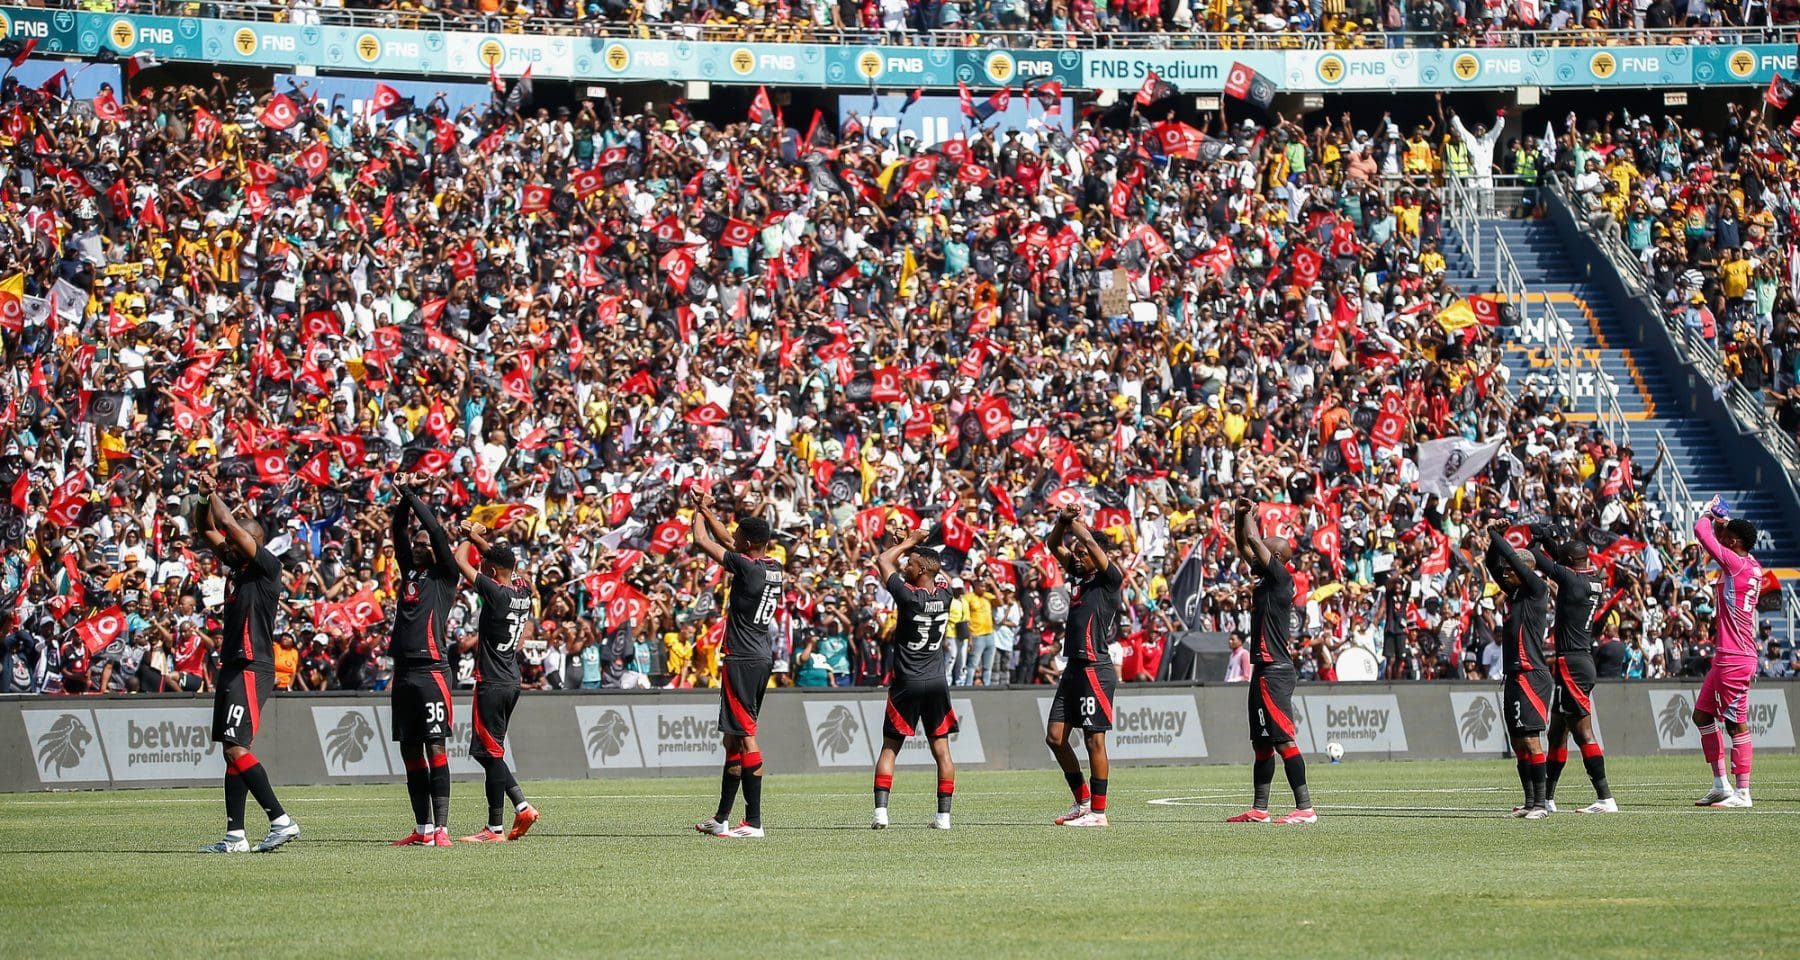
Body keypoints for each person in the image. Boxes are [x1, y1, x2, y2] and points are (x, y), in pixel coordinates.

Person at [196, 476, 299, 854]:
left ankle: (281, 820)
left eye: (238, 542)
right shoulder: (237, 570)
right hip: (234, 665)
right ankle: (235, 836)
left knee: (237, 747)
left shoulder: (266, 568)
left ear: (252, 543)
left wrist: (216, 494)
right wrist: (204, 496)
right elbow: (206, 527)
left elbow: (228, 527)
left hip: (253, 665)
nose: (227, 549)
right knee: (230, 747)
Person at [689, 490, 783, 839]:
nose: (733, 537)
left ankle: (754, 822)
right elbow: (729, 538)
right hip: (760, 655)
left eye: (738, 535)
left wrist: (699, 511)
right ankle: (721, 818)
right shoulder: (773, 566)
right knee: (732, 741)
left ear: (747, 542)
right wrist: (708, 508)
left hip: (742, 658)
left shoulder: (745, 565)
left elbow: (703, 540)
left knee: (745, 738)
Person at [447, 518, 540, 842]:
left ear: (491, 569)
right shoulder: (523, 589)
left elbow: (460, 561)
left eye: (485, 564)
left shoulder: (495, 591)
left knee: (490, 752)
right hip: (511, 679)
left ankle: (520, 807)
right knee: (488, 752)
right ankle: (497, 825)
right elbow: (502, 560)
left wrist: (465, 537)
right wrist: (477, 537)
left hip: (491, 680)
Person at [1225, 499, 1316, 826]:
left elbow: (1251, 541)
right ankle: (1260, 809)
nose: (1255, 554)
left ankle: (1305, 808)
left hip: (1274, 671)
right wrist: (1240, 518)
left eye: (1263, 550)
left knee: (1282, 740)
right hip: (1262, 670)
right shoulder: (1266, 579)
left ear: (1275, 558)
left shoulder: (1281, 578)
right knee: (1262, 743)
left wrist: (1247, 514)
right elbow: (1243, 543)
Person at [387, 474, 462, 848]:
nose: (417, 546)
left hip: (433, 670)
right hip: (403, 672)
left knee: (436, 747)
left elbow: (433, 528)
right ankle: (422, 829)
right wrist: (402, 497)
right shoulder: (410, 570)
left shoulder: (445, 575)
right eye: (414, 545)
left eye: (423, 544)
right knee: (409, 751)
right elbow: (398, 528)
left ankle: (443, 828)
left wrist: (414, 494)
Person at [869, 527, 957, 831]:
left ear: (919, 571)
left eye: (911, 563)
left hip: (907, 681)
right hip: (936, 681)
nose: (906, 565)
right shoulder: (947, 593)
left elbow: (882, 560)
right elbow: (933, 567)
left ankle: (881, 813)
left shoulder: (907, 595)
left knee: (890, 747)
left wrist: (908, 543)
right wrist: (915, 548)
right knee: (942, 751)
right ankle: (943, 817)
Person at [1043, 506, 1122, 828]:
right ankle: (1082, 801)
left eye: (1082, 554)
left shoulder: (1109, 579)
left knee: (1094, 740)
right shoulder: (1080, 576)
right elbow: (1053, 546)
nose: (1075, 558)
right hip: (1073, 668)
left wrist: (1074, 520)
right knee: (1055, 738)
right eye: (1074, 554)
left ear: (1098, 555)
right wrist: (1062, 523)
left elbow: (1088, 541)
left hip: (1095, 667)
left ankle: (1099, 814)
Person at [1528, 529, 1617, 814]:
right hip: (1580, 661)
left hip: (1571, 665)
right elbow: (1562, 560)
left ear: (1569, 562)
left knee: (1583, 733)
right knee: (1557, 733)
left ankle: (1605, 798)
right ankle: (1548, 798)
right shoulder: (1592, 581)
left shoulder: (1570, 579)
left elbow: (1538, 560)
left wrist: (1539, 538)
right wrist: (1553, 541)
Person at [1690, 498, 1764, 809]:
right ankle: (1721, 784)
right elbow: (1728, 536)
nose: (1720, 540)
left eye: (1726, 538)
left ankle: (1743, 792)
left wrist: (1708, 512)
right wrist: (1726, 522)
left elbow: (1700, 530)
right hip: (1728, 656)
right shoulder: (1753, 566)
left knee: (1735, 722)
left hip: (1736, 656)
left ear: (1733, 543)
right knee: (1702, 715)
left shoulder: (1734, 563)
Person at [1484, 526, 1553, 820]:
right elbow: (1492, 564)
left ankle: (1541, 805)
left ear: (1524, 570)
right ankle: (1528, 802)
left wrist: (1496, 534)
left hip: (1531, 674)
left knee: (1531, 740)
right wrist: (1492, 543)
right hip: (1513, 675)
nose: (1504, 575)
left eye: (1510, 571)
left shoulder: (1537, 590)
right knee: (1517, 742)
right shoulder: (1515, 593)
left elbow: (1511, 559)